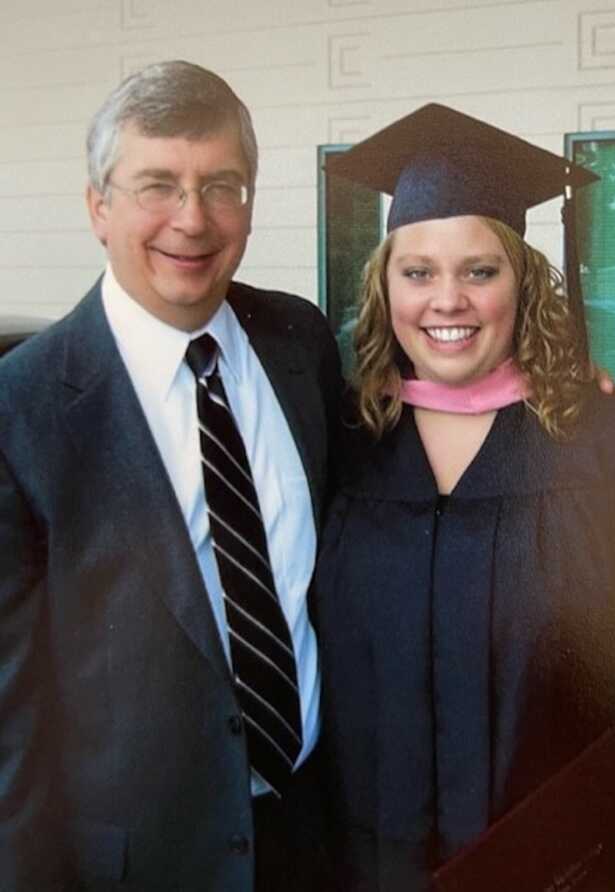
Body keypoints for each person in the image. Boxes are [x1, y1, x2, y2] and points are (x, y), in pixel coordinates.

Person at [315, 103, 615, 891]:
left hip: (564, 866)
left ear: (522, 284)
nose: (446, 300)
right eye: (417, 272)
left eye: (479, 271)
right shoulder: (337, 445)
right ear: (384, 286)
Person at [0, 60, 341, 891]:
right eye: (159, 184)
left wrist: (558, 385)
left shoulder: (298, 343)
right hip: (137, 864)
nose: (193, 219)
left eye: (222, 185)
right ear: (98, 207)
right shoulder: (22, 410)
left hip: (315, 841)